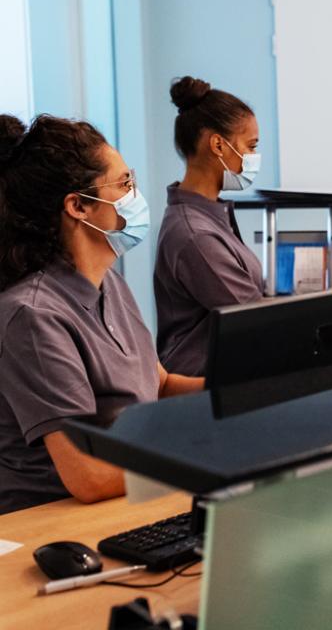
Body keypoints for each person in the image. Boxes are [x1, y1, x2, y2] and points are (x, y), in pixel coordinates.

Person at [0, 114, 203, 514]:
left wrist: (249, 389)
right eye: (125, 184)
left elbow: (157, 384)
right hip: (51, 521)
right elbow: (88, 477)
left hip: (120, 501)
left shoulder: (108, 283)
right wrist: (208, 453)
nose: (135, 195)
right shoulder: (33, 315)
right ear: (78, 206)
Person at [155, 76, 265, 377]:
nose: (254, 157)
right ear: (218, 144)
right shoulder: (195, 235)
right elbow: (258, 320)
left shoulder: (209, 216)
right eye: (251, 146)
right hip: (200, 387)